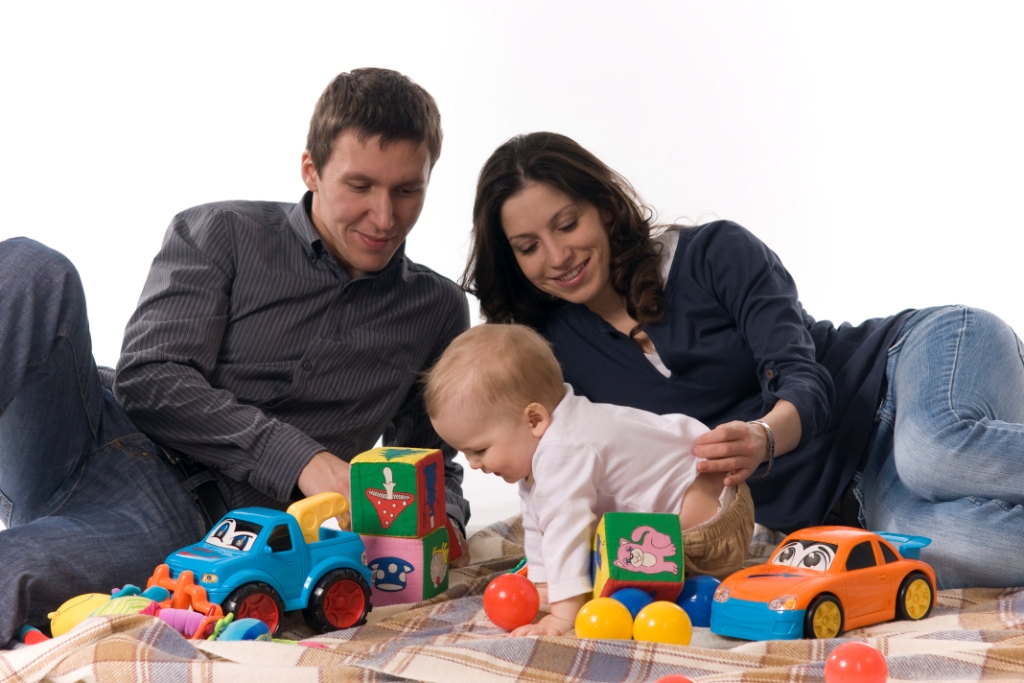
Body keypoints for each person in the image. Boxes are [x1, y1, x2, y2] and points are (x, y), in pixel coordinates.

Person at [0, 68, 470, 645]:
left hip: (194, 523)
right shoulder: (221, 231)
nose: (384, 217)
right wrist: (303, 460)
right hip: (88, 428)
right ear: (311, 170)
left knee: (9, 575)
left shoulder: (436, 309)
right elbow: (149, 379)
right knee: (32, 269)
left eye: (407, 191)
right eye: (360, 186)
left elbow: (429, 461)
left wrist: (445, 522)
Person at [463, 131, 1024, 590]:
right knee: (960, 545)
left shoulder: (713, 253)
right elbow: (561, 460)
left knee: (931, 453)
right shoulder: (553, 355)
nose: (557, 256)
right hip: (859, 498)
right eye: (529, 246)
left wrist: (763, 437)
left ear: (605, 209)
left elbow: (804, 376)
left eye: (567, 225)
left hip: (909, 366)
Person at [424, 323, 754, 636]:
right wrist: (544, 585)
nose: (474, 464)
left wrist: (563, 615)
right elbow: (538, 524)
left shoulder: (563, 449)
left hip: (712, 522)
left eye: (480, 450)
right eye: (465, 453)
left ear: (534, 419)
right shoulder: (539, 447)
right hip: (702, 494)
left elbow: (565, 532)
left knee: (635, 570)